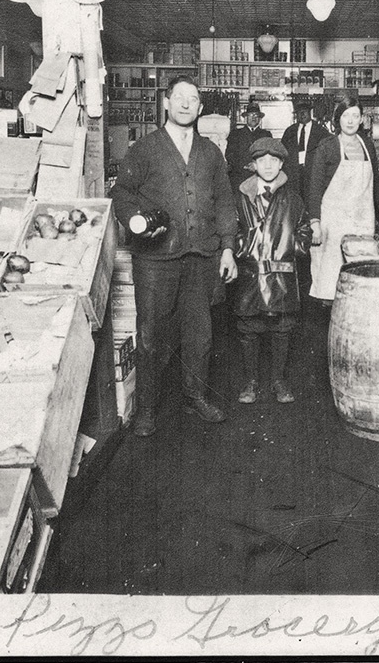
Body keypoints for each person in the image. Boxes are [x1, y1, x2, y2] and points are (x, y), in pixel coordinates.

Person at [110, 75, 238, 437]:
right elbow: (123, 194)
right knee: (151, 334)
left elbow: (225, 201)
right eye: (178, 97)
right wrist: (136, 223)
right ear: (165, 103)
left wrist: (228, 247)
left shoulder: (211, 152)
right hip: (155, 260)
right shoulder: (145, 148)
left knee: (201, 335)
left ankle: (195, 395)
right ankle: (146, 408)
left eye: (192, 99)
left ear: (200, 108)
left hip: (202, 257)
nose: (185, 104)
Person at [232, 137, 312, 405]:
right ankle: (250, 381)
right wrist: (244, 248)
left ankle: (278, 380)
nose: (268, 166)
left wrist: (296, 247)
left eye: (273, 160)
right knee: (249, 329)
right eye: (261, 160)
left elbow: (303, 228)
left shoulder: (293, 198)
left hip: (281, 276)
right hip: (251, 273)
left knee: (282, 329)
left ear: (281, 164)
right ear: (253, 165)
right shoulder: (241, 196)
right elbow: (231, 229)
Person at [307, 99, 379, 303]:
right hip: (334, 223)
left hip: (362, 220)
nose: (350, 121)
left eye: (355, 116)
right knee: (331, 283)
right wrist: (315, 222)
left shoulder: (367, 145)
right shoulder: (327, 147)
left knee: (361, 282)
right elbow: (314, 188)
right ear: (337, 119)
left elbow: (376, 182)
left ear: (361, 120)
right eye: (345, 116)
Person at [281, 98, 331, 204]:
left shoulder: (321, 132)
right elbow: (282, 153)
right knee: (294, 204)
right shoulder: (290, 131)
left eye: (305, 112)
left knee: (312, 203)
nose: (302, 114)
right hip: (293, 176)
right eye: (299, 112)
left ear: (310, 113)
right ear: (296, 115)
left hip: (313, 175)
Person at [224, 101, 268, 189]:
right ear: (246, 118)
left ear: (259, 118)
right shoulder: (235, 134)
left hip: (260, 177)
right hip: (239, 178)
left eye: (256, 115)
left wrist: (256, 166)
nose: (253, 117)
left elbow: (268, 154)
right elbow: (229, 154)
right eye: (251, 115)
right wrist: (245, 166)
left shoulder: (266, 135)